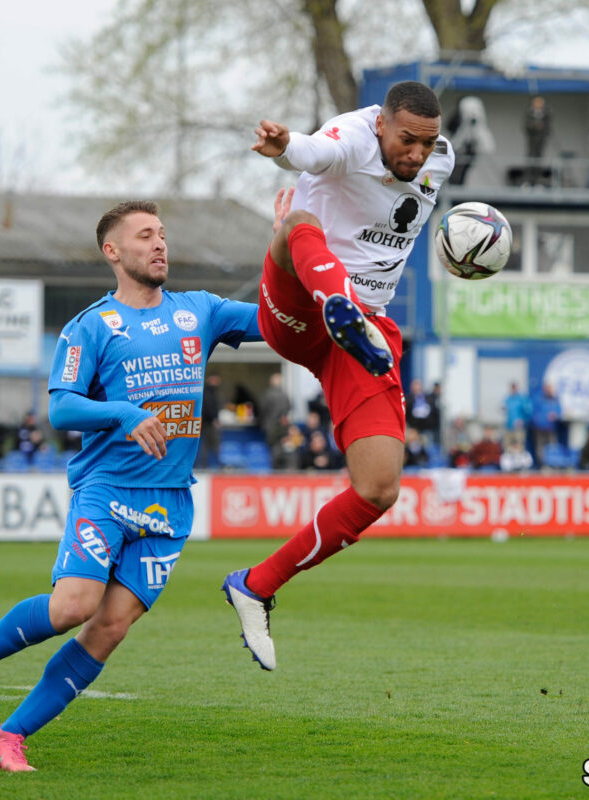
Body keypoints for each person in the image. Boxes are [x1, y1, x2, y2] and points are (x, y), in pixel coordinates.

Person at [0, 200, 262, 771]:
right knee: (72, 607)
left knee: (110, 628)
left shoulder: (201, 311)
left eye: (162, 235)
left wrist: (286, 249)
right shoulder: (92, 326)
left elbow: (275, 320)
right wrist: (125, 413)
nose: (160, 245)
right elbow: (63, 407)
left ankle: (7, 737)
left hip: (170, 503)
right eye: (145, 235)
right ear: (113, 251)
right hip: (107, 489)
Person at [221, 80, 454, 671]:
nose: (418, 155)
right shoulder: (352, 136)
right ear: (381, 125)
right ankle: (337, 301)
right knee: (298, 220)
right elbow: (313, 154)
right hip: (299, 308)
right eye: (407, 140)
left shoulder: (440, 161)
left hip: (365, 337)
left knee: (379, 487)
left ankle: (256, 585)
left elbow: (416, 187)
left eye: (427, 144)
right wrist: (283, 146)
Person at [523, 95, 551, 186]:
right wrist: (535, 125)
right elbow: (526, 126)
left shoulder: (546, 113)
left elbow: (548, 127)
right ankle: (528, 181)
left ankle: (537, 181)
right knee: (530, 159)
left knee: (539, 159)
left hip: (541, 140)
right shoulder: (529, 113)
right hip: (532, 140)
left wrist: (543, 130)